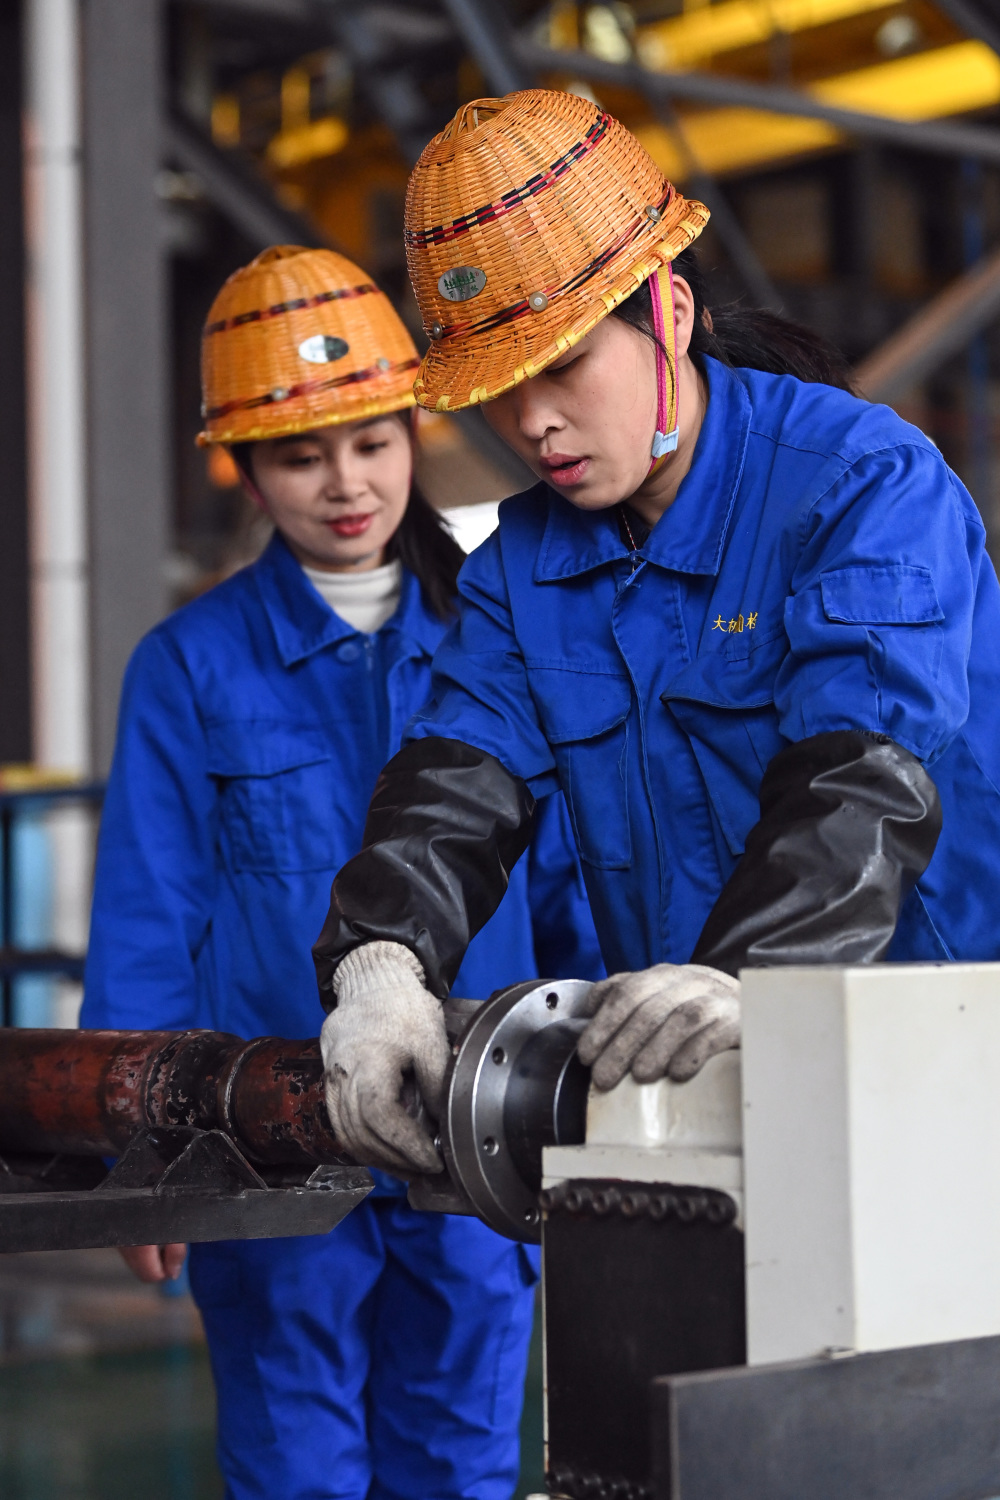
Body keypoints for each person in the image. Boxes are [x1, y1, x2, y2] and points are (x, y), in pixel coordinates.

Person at [314, 87, 1000, 1178]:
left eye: (563, 366)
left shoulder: (862, 483)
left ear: (668, 313)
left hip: (934, 1057)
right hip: (685, 1064)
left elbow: (863, 775)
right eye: (499, 388)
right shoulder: (525, 563)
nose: (531, 422)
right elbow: (460, 780)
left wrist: (750, 975)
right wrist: (382, 962)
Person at [81, 244, 603, 1500]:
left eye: (370, 442)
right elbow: (149, 911)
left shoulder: (506, 634)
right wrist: (134, 1154)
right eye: (301, 456)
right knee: (293, 1465)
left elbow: (568, 888)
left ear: (413, 434)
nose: (345, 483)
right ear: (248, 470)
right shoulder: (189, 667)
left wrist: (601, 1103)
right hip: (268, 1150)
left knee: (461, 1459)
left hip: (477, 1137)